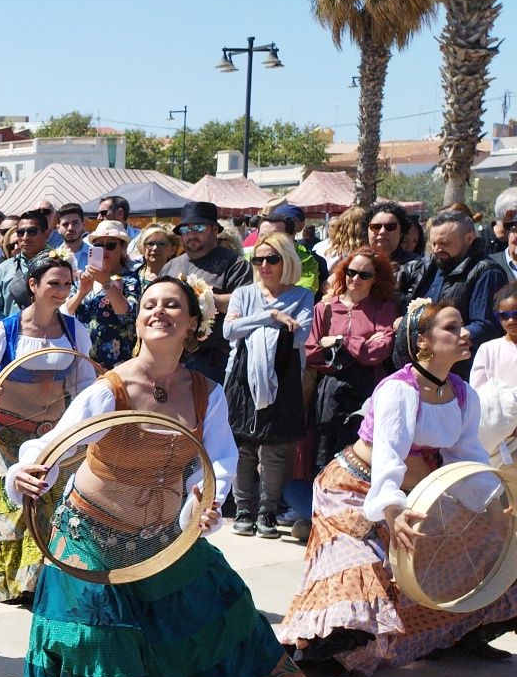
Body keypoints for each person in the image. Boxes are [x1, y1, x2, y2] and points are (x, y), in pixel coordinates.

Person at [7, 276, 325, 677]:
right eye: (149, 305)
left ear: (193, 322)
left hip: (160, 535)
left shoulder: (206, 392)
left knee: (220, 605)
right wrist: (24, 471)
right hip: (92, 532)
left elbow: (216, 460)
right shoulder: (110, 389)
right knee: (103, 638)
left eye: (172, 305)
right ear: (137, 321)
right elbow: (57, 445)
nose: (159, 312)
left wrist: (204, 500)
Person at [277, 293, 517, 676]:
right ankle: (326, 653)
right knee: (364, 569)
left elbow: (467, 456)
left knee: (485, 545)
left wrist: (492, 501)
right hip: (352, 491)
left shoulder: (463, 393)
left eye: (463, 327)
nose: (464, 334)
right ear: (422, 341)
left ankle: (462, 632)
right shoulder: (398, 390)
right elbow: (389, 458)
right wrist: (392, 510)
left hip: (414, 493)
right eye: (452, 328)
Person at [0, 256, 95, 603]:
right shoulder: (7, 329)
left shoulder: (75, 330)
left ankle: (32, 583)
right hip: (4, 435)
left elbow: (85, 380)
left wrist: (83, 428)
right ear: (33, 285)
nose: (62, 291)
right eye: (54, 283)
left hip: (50, 435)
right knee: (6, 508)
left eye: (67, 284)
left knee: (44, 506)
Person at [223, 232, 314, 538]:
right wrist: (272, 316)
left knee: (275, 450)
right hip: (240, 376)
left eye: (271, 258)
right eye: (257, 259)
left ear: (286, 260)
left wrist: (254, 322)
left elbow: (299, 336)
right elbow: (228, 330)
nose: (264, 265)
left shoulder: (302, 295)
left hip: (284, 376)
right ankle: (244, 509)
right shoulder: (244, 293)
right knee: (243, 446)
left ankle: (268, 512)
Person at [307, 247, 401, 469]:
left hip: (367, 389)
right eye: (351, 272)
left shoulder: (384, 309)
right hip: (330, 392)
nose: (356, 279)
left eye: (365, 275)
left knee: (362, 456)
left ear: (376, 279)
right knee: (325, 456)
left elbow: (379, 352)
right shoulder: (325, 308)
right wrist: (363, 343)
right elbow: (311, 351)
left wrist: (340, 340)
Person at [408, 210, 509, 374]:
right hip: (426, 367)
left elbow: (485, 326)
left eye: (445, 243)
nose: (437, 249)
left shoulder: (486, 272)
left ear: (469, 238)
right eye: (433, 243)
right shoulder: (432, 266)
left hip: (462, 372)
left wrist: (441, 338)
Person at [162, 202, 251, 382]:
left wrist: (206, 299)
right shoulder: (171, 266)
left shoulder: (235, 265)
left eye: (199, 227)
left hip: (217, 359)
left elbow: (245, 305)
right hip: (174, 356)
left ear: (214, 230)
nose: (192, 234)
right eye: (186, 229)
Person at [65, 221, 141, 370]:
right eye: (99, 246)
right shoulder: (84, 277)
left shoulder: (131, 279)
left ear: (122, 249)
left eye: (111, 245)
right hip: (83, 362)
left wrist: (106, 282)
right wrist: (81, 292)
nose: (104, 250)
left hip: (117, 364)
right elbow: (66, 311)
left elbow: (127, 313)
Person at [472, 284, 517, 465]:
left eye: (516, 314)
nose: (511, 321)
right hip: (498, 435)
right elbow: (478, 394)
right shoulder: (488, 349)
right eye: (504, 316)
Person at [0, 210, 51, 329]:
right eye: (20, 232)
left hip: (49, 336)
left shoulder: (58, 265)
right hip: (12, 334)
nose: (25, 238)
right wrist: (6, 328)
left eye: (31, 232)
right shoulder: (5, 267)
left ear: (46, 234)